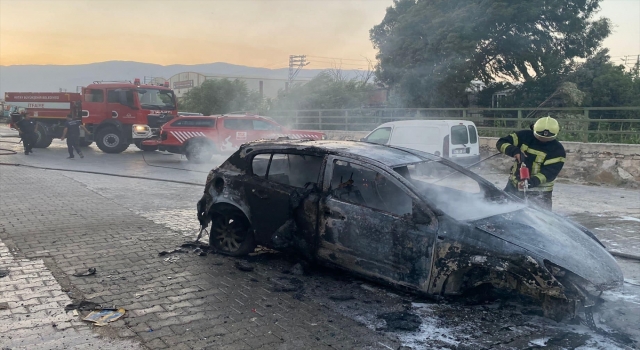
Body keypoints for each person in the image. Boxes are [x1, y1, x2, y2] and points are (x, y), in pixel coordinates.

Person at [496, 116, 566, 210]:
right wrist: (514, 151)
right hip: (513, 186)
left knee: (538, 220)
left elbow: (549, 173)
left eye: (547, 138)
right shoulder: (524, 136)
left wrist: (529, 183)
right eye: (539, 137)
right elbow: (501, 142)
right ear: (533, 129)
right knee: (501, 210)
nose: (543, 140)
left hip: (540, 193)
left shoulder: (558, 151)